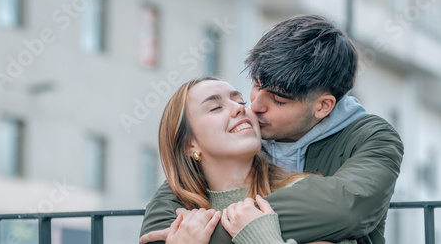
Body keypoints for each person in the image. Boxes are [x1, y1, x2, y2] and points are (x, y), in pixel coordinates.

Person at [139, 15, 404, 244]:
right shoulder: (243, 137)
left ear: (323, 106)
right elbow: (165, 212)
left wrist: (207, 233)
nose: (252, 106)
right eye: (255, 86)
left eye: (278, 100)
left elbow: (346, 209)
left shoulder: (372, 138)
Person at [145, 75, 355, 244]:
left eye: (240, 101)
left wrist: (262, 237)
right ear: (190, 145)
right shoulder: (178, 222)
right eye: (216, 107)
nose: (241, 108)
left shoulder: (305, 193)